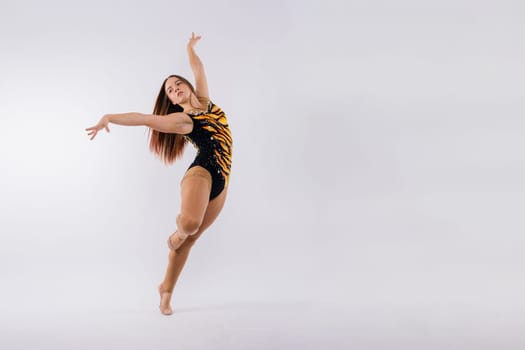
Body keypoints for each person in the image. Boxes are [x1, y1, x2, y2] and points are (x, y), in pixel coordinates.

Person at [85, 32, 233, 315]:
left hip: (223, 180)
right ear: (171, 102)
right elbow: (144, 118)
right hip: (201, 174)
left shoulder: (206, 102)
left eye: (178, 84)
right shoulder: (181, 120)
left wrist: (189, 47)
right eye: (169, 90)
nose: (175, 88)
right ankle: (177, 232)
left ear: (188, 87)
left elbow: (198, 67)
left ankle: (165, 290)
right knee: (188, 226)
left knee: (193, 238)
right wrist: (108, 118)